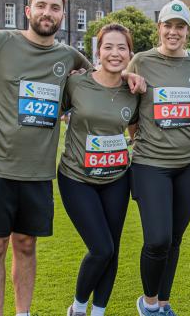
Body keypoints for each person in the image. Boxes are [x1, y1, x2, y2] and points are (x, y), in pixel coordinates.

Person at [0, 0, 142, 316]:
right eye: (41, 6)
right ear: (28, 11)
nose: (47, 13)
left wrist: (128, 73)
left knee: (26, 245)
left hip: (37, 171)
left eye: (55, 8)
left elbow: (101, 73)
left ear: (62, 16)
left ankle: (23, 313)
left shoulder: (67, 55)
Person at [127, 0, 190, 316]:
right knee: (157, 238)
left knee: (174, 239)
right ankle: (147, 303)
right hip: (151, 164)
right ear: (159, 28)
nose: (174, 32)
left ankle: (162, 303)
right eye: (168, 25)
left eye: (180, 26)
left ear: (187, 31)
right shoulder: (141, 61)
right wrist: (141, 142)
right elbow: (129, 109)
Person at [60, 24, 140, 316]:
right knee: (101, 248)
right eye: (109, 47)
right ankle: (78, 308)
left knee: (113, 249)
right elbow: (51, 113)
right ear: (98, 51)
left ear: (130, 53)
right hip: (77, 179)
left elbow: (137, 130)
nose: (115, 53)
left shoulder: (133, 90)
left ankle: (99, 312)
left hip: (117, 178)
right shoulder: (77, 84)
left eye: (122, 47)